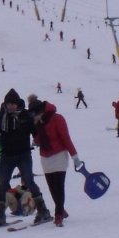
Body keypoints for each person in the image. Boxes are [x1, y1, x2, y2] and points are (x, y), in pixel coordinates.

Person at [0, 90, 51, 226]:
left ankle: (43, 210)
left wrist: (38, 141)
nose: (11, 107)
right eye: (9, 104)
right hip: (7, 155)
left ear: (18, 103)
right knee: (2, 182)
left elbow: (35, 130)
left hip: (23, 154)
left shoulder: (25, 115)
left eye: (13, 104)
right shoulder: (2, 115)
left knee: (29, 181)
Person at [30, 96, 79, 225]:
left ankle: (58, 214)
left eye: (35, 115)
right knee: (52, 187)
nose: (34, 118)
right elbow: (39, 139)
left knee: (58, 186)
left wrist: (75, 157)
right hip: (45, 158)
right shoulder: (38, 123)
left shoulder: (57, 118)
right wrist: (35, 141)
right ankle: (61, 209)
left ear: (41, 111)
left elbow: (66, 138)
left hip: (59, 156)